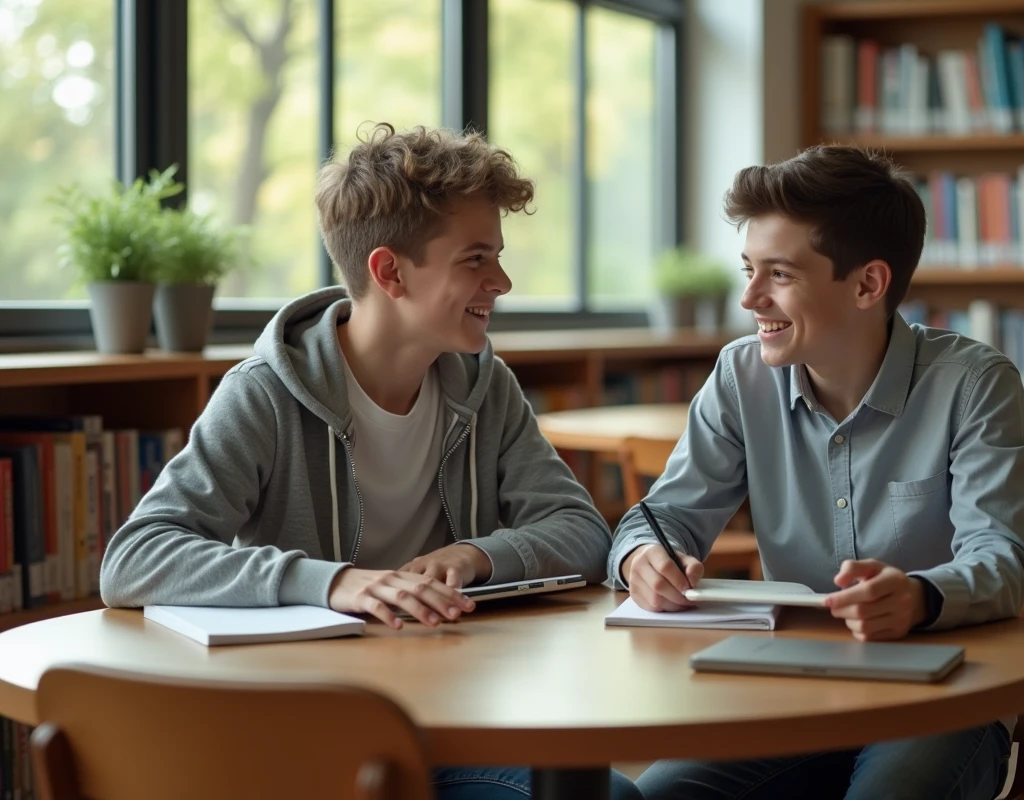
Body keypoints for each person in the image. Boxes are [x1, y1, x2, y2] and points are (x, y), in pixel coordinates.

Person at [101, 123, 642, 800]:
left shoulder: (484, 385)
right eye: (475, 259)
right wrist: (335, 583)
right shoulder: (265, 393)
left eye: (497, 256)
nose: (501, 281)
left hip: (457, 714)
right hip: (310, 734)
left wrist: (475, 555)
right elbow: (136, 558)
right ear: (389, 272)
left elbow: (583, 532)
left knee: (609, 794)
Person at [609, 145, 1024, 800]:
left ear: (868, 285)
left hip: (946, 695)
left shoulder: (974, 384)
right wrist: (641, 554)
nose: (750, 297)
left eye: (778, 274)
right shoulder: (740, 375)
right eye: (749, 269)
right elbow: (664, 519)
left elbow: (1004, 558)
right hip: (792, 692)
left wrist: (920, 597)